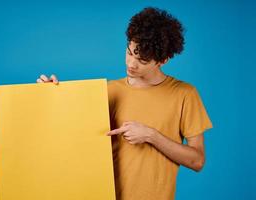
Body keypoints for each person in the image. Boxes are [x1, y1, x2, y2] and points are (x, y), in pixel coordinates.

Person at [37, 7, 213, 200]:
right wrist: (51, 96)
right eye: (129, 52)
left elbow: (197, 161)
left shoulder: (184, 94)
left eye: (142, 60)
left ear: (163, 60)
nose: (131, 64)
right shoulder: (107, 90)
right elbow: (67, 136)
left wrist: (151, 135)